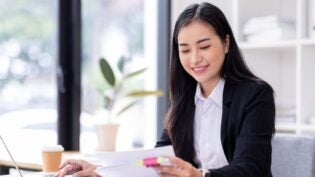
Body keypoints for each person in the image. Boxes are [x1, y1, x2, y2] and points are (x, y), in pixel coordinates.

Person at [56, 2, 275, 177]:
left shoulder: (255, 95)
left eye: (204, 46)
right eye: (185, 50)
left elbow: (251, 168)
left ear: (226, 43)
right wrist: (101, 170)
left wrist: (199, 175)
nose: (195, 58)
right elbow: (156, 161)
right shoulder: (184, 97)